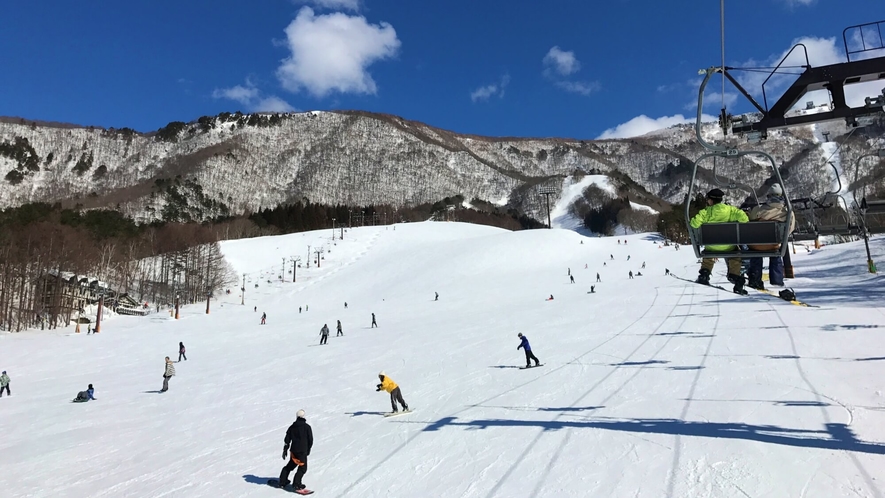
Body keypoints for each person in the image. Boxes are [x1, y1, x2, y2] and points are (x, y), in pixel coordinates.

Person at [690, 188, 749, 293]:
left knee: (708, 254)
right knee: (735, 255)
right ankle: (734, 275)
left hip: (711, 246)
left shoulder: (706, 212)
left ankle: (705, 273)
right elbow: (744, 219)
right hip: (729, 246)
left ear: (711, 200)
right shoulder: (730, 210)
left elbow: (694, 223)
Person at [746, 184, 796, 289]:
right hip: (773, 245)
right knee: (775, 254)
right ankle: (777, 281)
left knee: (756, 252)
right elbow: (790, 229)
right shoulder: (787, 212)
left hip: (756, 246)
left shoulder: (758, 210)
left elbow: (750, 224)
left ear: (768, 196)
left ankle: (755, 277)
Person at [278, 409, 313, 490]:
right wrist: (308, 449)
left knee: (291, 465)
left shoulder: (292, 427)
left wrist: (285, 449)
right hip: (302, 451)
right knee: (302, 468)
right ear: (304, 417)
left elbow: (287, 439)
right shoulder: (307, 427)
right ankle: (296, 484)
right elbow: (310, 440)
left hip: (293, 450)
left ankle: (282, 481)